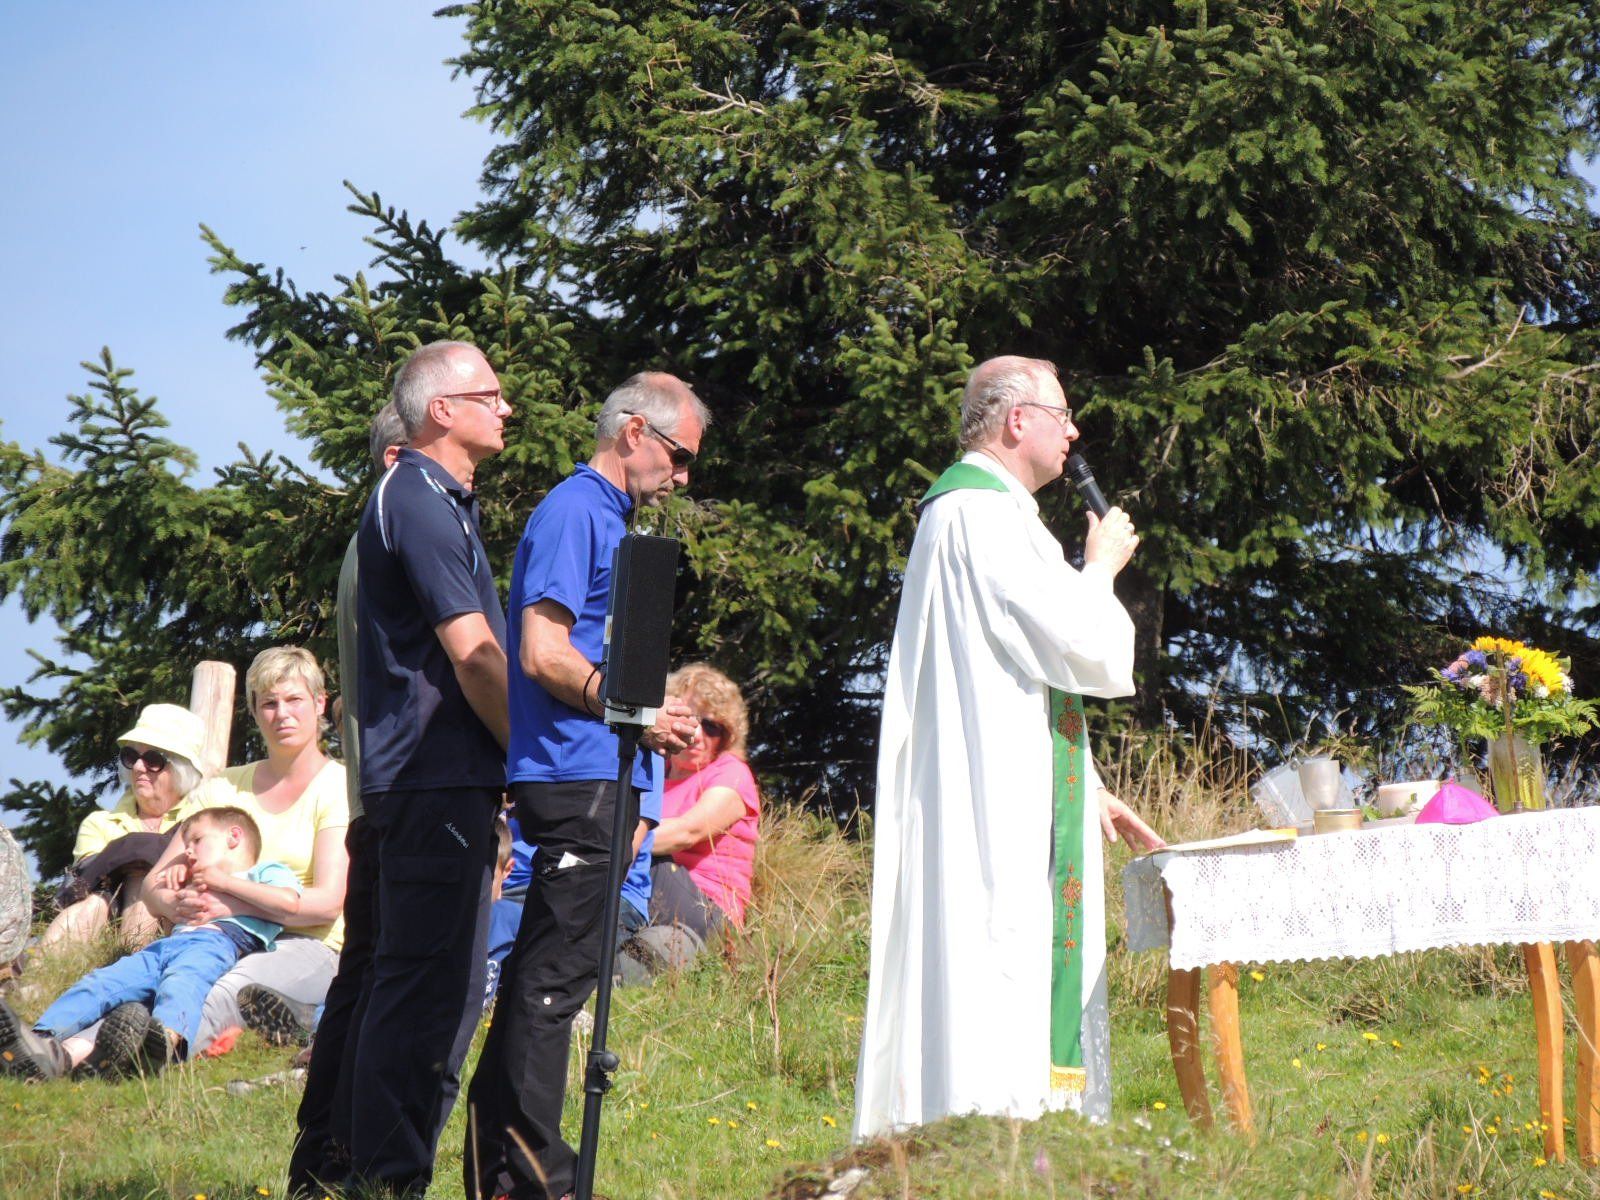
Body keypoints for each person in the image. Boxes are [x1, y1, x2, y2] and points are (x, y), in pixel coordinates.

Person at [852, 356, 1165, 1142]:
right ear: (1018, 420)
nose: (1074, 432)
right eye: (1063, 415)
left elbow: (1019, 675)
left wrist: (1087, 785)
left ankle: (1009, 1142)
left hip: (1001, 778)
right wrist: (1101, 568)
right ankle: (994, 1143)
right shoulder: (980, 515)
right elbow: (1076, 646)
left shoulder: (982, 512)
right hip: (988, 804)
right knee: (994, 951)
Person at [465, 371, 707, 1200]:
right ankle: (546, 1182)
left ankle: (500, 1178)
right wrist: (630, 706)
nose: (682, 477)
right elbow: (541, 649)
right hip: (576, 779)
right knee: (552, 985)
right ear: (635, 432)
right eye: (679, 456)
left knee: (540, 977)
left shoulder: (608, 517)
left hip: (597, 774)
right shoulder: (576, 510)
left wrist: (648, 715)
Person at [345, 340, 512, 1196]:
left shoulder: (434, 498)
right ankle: (385, 1180)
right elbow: (475, 655)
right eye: (491, 395)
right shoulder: (415, 496)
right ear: (441, 410)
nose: (507, 408)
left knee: (434, 988)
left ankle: (371, 1173)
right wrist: (528, 756)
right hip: (429, 779)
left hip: (439, 779)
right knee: (426, 994)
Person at [282, 400, 407, 1198]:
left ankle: (321, 1159)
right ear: (398, 461)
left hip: (374, 796)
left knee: (364, 976)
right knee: (385, 981)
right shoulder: (392, 537)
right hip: (395, 798)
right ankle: (343, 1160)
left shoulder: (370, 541)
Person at [141, 646, 350, 1056]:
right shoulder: (223, 787)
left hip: (306, 945)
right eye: (269, 703)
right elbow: (152, 887)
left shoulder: (337, 787)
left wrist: (233, 905)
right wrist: (180, 905)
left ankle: (147, 1059)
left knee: (225, 991)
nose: (282, 714)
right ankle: (62, 1053)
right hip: (212, 936)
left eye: (294, 700)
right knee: (139, 986)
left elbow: (327, 904)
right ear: (254, 711)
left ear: (319, 703)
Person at [0, 806, 299, 1080]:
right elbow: (162, 905)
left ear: (234, 837)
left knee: (182, 984)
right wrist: (179, 879)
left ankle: (163, 1040)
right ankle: (40, 1039)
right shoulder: (191, 876)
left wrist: (223, 882)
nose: (188, 851)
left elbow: (287, 903)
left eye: (197, 841)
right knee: (101, 982)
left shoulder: (263, 872)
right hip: (164, 948)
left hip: (214, 945)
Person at [619, 663, 760, 980]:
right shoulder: (653, 770)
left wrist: (611, 839)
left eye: (712, 727)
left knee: (642, 858)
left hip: (708, 911)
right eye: (688, 719)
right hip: (662, 899)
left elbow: (687, 831)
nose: (697, 734)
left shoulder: (731, 773)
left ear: (727, 736)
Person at [41, 704, 211, 951]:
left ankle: (129, 963)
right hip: (102, 922)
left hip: (177, 925)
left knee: (145, 883)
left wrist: (127, 853)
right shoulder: (98, 823)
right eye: (131, 756)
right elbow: (88, 880)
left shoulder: (203, 818)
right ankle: (37, 972)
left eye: (153, 759)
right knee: (94, 903)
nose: (139, 767)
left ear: (181, 768)